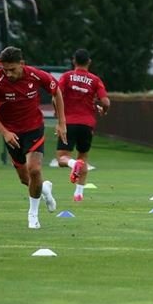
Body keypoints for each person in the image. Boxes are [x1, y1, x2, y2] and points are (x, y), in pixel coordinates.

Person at [0, 47, 65, 229]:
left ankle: (33, 216)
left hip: (34, 129)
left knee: (34, 170)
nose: (8, 73)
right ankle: (45, 189)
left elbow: (56, 91)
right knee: (25, 178)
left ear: (22, 64)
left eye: (12, 69)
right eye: (5, 69)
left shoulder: (35, 76)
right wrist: (5, 132)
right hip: (12, 134)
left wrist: (61, 123)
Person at [55, 49, 110, 202]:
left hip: (69, 122)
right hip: (87, 124)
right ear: (89, 62)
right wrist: (103, 110)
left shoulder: (66, 77)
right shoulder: (95, 79)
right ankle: (78, 194)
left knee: (61, 158)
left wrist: (59, 118)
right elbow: (105, 101)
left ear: (74, 61)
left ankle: (73, 164)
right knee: (83, 156)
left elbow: (55, 96)